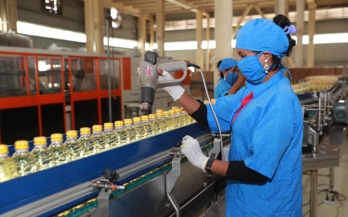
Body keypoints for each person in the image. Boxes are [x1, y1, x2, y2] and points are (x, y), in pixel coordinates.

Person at [157, 14, 302, 216]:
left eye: (243, 56)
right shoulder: (252, 92)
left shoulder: (281, 101)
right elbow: (208, 114)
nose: (240, 63)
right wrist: (172, 87)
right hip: (244, 202)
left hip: (269, 206)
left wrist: (204, 162)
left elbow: (257, 170)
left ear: (266, 57)